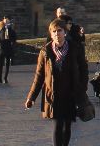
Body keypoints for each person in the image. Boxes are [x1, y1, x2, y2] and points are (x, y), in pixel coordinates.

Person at [26, 18, 88, 146]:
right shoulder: (45, 52)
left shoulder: (75, 48)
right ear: (50, 33)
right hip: (53, 94)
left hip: (71, 94)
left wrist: (82, 89)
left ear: (64, 32)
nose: (56, 34)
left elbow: (84, 71)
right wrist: (31, 97)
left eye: (59, 31)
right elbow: (39, 75)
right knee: (58, 125)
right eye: (53, 31)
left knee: (67, 126)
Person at [0, 16, 18, 84]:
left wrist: (12, 44)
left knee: (7, 64)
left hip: (8, 48)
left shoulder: (11, 29)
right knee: (0, 64)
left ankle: (5, 78)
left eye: (7, 20)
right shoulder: (0, 29)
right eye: (5, 20)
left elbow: (14, 38)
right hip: (2, 48)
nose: (6, 21)